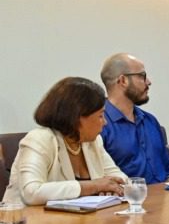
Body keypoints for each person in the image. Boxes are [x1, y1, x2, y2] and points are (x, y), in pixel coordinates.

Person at [2, 77, 126, 205]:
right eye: (100, 115)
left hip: (76, 222)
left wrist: (112, 189)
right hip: (23, 221)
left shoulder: (93, 142)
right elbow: (32, 192)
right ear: (77, 117)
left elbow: (120, 179)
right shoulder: (39, 139)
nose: (105, 122)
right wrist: (93, 186)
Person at [99, 53, 169, 184]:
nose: (149, 82)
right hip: (127, 200)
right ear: (123, 80)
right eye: (142, 76)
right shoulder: (100, 125)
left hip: (165, 197)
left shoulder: (150, 120)